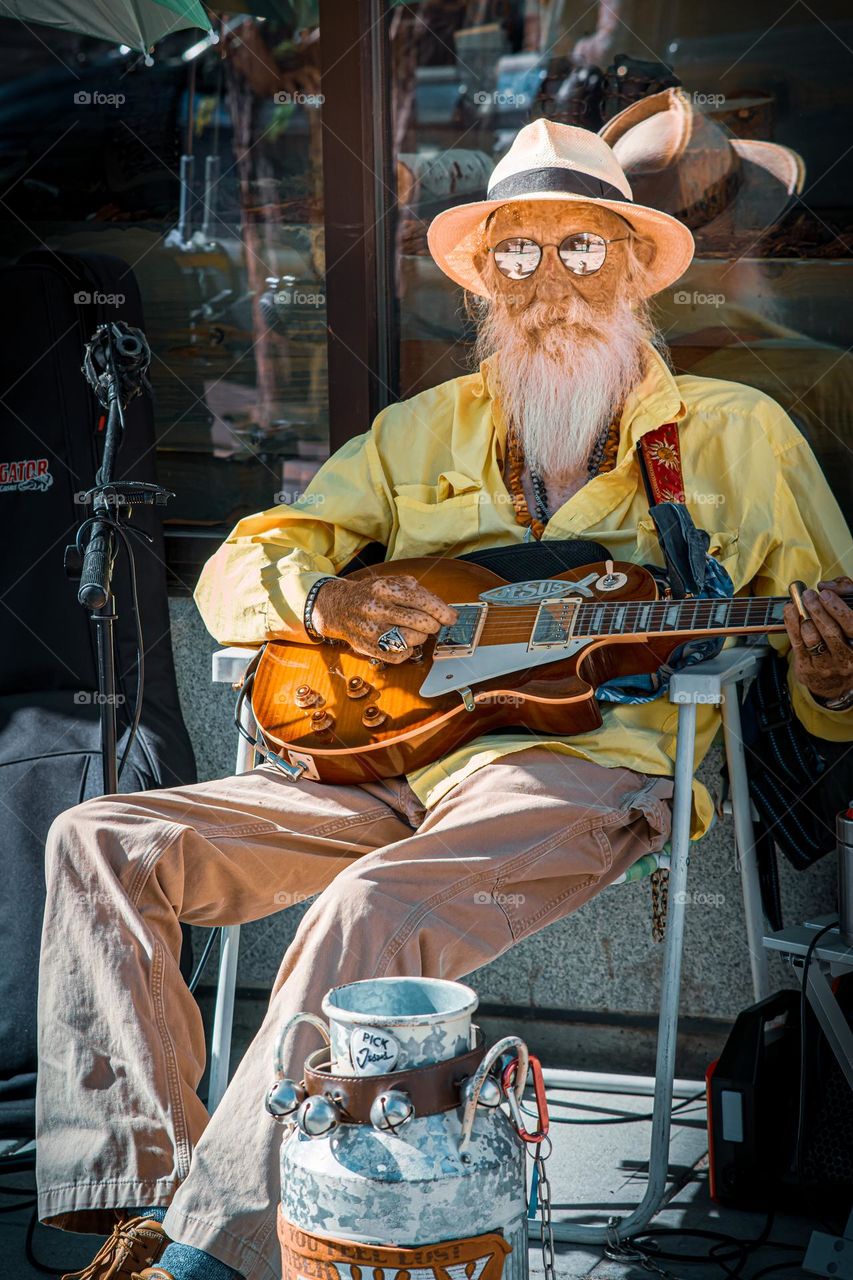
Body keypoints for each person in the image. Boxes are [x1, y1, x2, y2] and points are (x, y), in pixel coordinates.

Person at [37, 119, 853, 1280]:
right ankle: (141, 1202)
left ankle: (206, 1258)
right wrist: (324, 603)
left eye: (578, 247)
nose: (548, 282)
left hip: (575, 776)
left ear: (632, 265)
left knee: (370, 906)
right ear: (482, 286)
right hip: (384, 770)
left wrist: (829, 675)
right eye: (513, 256)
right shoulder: (419, 430)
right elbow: (235, 569)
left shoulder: (732, 435)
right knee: (104, 838)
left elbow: (831, 668)